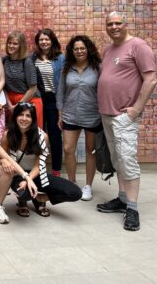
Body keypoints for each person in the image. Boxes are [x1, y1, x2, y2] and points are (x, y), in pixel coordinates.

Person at [97, 12, 157, 231]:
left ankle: (132, 208)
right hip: (107, 114)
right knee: (117, 160)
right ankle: (122, 199)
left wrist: (136, 109)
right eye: (110, 24)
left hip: (124, 116)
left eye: (118, 23)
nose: (114, 27)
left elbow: (151, 79)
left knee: (127, 160)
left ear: (126, 24)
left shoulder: (139, 46)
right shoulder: (108, 50)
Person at [1, 102, 81, 218]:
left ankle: (40, 198)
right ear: (15, 117)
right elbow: (0, 158)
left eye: (28, 116)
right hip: (18, 175)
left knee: (75, 192)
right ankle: (23, 201)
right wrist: (3, 161)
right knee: (25, 194)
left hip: (37, 174)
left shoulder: (42, 137)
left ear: (33, 119)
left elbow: (39, 166)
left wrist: (28, 180)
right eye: (21, 115)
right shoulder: (7, 135)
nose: (24, 119)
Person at [57, 35, 102, 202]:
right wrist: (60, 112)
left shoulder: (97, 67)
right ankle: (72, 182)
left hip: (92, 115)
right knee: (68, 149)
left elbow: (103, 90)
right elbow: (61, 90)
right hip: (70, 114)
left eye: (82, 48)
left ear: (88, 49)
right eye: (76, 49)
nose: (79, 51)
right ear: (72, 51)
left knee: (91, 150)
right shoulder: (67, 67)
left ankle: (88, 186)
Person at [32, 28, 65, 177]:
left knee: (54, 136)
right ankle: (38, 168)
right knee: (37, 135)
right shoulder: (33, 58)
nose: (44, 42)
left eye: (47, 39)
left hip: (53, 101)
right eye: (41, 40)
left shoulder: (60, 59)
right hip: (38, 99)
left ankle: (56, 169)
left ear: (52, 41)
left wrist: (61, 105)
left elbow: (63, 84)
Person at [3, 31, 44, 126]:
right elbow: (3, 86)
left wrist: (18, 106)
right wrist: (9, 105)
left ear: (21, 46)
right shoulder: (4, 60)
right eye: (9, 43)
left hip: (30, 101)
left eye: (15, 44)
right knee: (14, 132)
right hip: (11, 102)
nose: (11, 46)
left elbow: (33, 88)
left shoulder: (27, 61)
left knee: (32, 132)